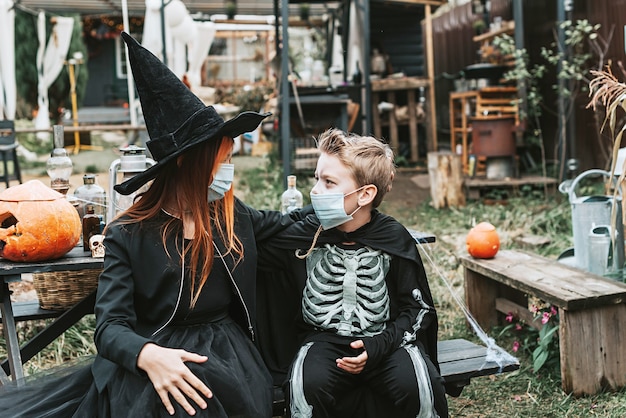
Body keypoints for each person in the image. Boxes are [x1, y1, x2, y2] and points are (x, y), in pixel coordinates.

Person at [0, 32, 303, 418]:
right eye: (221, 160)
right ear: (186, 162)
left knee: (207, 400)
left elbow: (292, 226)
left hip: (228, 357)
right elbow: (110, 326)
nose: (228, 171)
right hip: (152, 350)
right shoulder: (129, 233)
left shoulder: (232, 216)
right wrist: (147, 356)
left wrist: (343, 205)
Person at [257, 129, 449, 418]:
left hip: (385, 340)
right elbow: (256, 247)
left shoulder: (393, 237)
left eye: (329, 182)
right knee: (302, 387)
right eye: (316, 179)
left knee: (421, 388)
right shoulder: (308, 233)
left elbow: (417, 308)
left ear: (365, 194)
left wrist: (379, 344)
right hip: (323, 340)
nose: (316, 191)